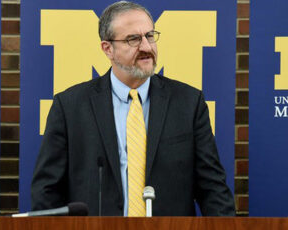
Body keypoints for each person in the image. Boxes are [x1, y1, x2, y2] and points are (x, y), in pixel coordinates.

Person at [31, 1, 235, 216]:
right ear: (107, 48)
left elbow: (213, 189)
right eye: (133, 39)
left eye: (150, 36)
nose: (146, 47)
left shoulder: (188, 102)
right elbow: (47, 192)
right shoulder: (70, 106)